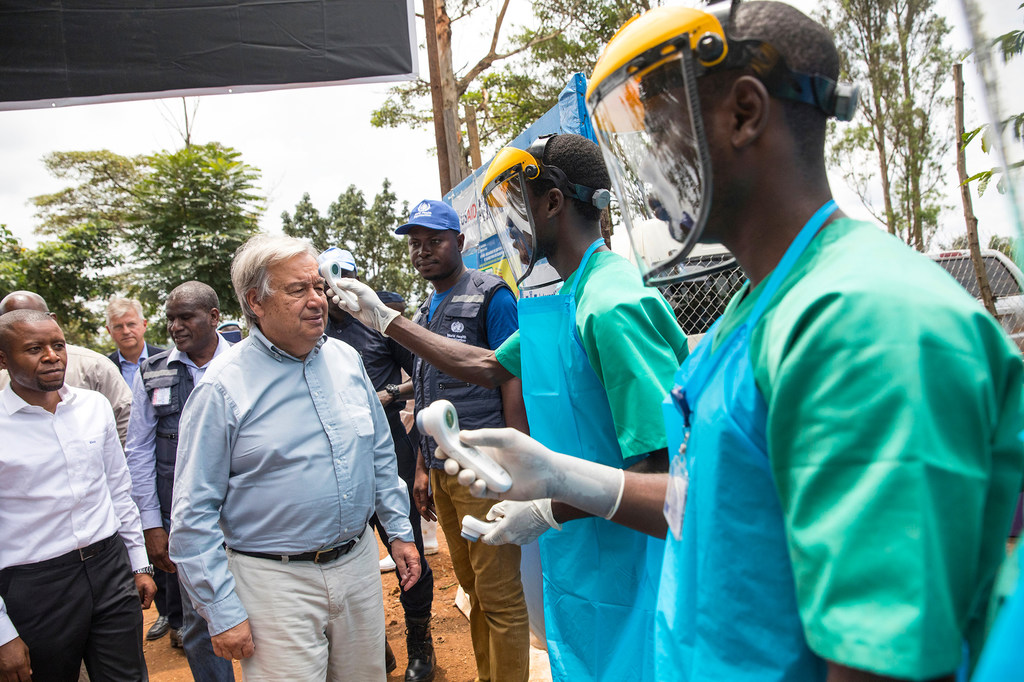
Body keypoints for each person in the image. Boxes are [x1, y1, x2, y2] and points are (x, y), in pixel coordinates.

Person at [427, 3, 1024, 681]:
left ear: (744, 112)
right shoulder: (760, 305)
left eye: (658, 130)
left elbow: (881, 658)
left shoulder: (862, 322)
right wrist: (568, 482)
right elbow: (717, 500)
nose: (646, 164)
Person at [330, 136, 688, 681]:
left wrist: (545, 508)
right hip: (584, 552)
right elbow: (486, 365)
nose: (508, 225)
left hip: (631, 559)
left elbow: (662, 480)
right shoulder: (563, 298)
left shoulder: (610, 306)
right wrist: (388, 320)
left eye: (514, 205)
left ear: (552, 204)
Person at [169, 235, 421, 681]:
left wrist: (399, 533)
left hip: (359, 565)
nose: (316, 300)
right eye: (297, 289)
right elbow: (193, 515)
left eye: (318, 287)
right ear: (255, 302)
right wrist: (222, 610)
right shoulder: (221, 389)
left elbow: (380, 453)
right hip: (274, 583)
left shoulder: (346, 360)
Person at [396, 199, 531, 682]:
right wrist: (420, 469)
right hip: (441, 469)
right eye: (416, 244)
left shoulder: (492, 295)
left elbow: (512, 373)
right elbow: (428, 389)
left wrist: (517, 456)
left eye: (435, 241)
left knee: (499, 594)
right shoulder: (424, 309)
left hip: (483, 468)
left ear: (461, 241)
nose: (423, 252)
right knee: (474, 589)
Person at [0, 309, 156, 682]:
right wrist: (3, 633)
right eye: (34, 348)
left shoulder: (93, 406)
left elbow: (118, 490)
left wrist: (139, 562)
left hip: (110, 568)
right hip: (36, 586)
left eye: (58, 345)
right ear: (3, 358)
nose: (52, 356)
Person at [320, 247, 435, 682]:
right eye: (328, 279)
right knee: (347, 558)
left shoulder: (378, 324)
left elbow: (421, 380)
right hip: (336, 466)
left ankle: (420, 645)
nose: (335, 288)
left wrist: (387, 395)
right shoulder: (312, 334)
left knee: (408, 553)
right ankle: (373, 646)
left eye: (344, 276)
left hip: (390, 456)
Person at [124, 281, 235, 679]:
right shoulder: (152, 373)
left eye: (185, 317)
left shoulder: (248, 363)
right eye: (171, 318)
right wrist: (153, 526)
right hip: (186, 521)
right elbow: (137, 453)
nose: (175, 326)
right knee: (199, 623)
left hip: (250, 516)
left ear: (214, 317)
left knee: (268, 612)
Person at [0, 291, 132, 446]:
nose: (52, 357)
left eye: (34, 317)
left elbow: (126, 424)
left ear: (52, 319)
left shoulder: (94, 367)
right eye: (12, 321)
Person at [105, 297, 165, 386]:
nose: (126, 331)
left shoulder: (165, 361)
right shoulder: (106, 367)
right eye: (118, 327)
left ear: (144, 325)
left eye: (131, 324)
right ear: (109, 330)